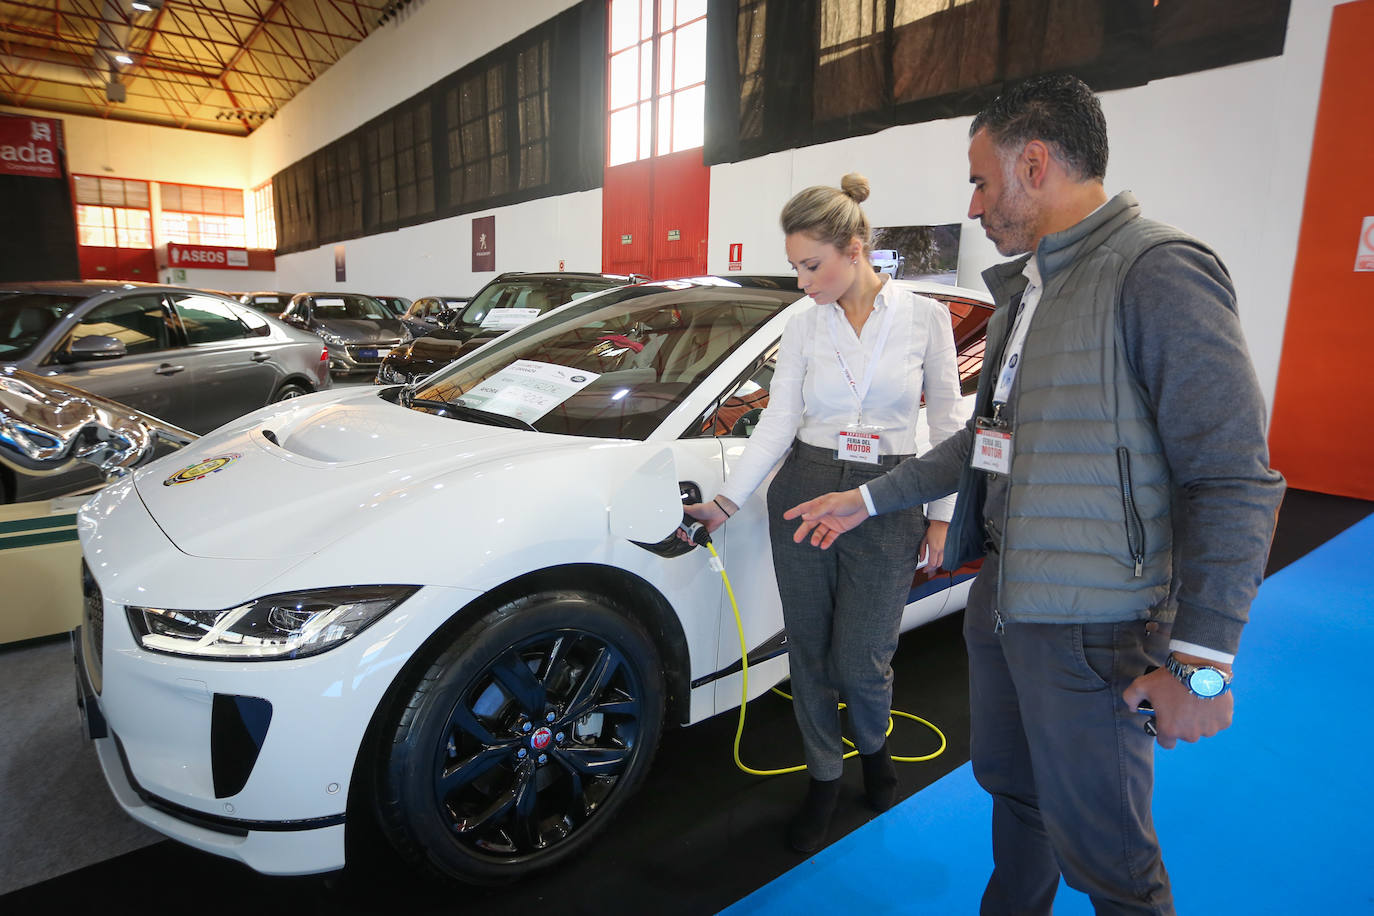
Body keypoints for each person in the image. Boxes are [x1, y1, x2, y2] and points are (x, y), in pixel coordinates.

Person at [784, 76, 1285, 914]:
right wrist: (867, 500)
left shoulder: (1156, 271)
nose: (973, 204)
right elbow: (982, 449)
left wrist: (1201, 666)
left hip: (1098, 629)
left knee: (1113, 860)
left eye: (982, 180)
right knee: (1016, 802)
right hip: (1006, 605)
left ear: (1037, 163)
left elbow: (1234, 475)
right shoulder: (1028, 293)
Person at [684, 173, 966, 853]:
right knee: (807, 648)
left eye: (812, 265)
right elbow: (779, 419)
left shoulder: (925, 318)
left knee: (864, 652)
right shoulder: (802, 326)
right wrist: (728, 501)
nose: (804, 281)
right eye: (796, 267)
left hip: (892, 492)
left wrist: (941, 514)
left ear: (856, 247)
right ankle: (822, 776)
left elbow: (949, 420)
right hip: (806, 486)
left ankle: (874, 749)